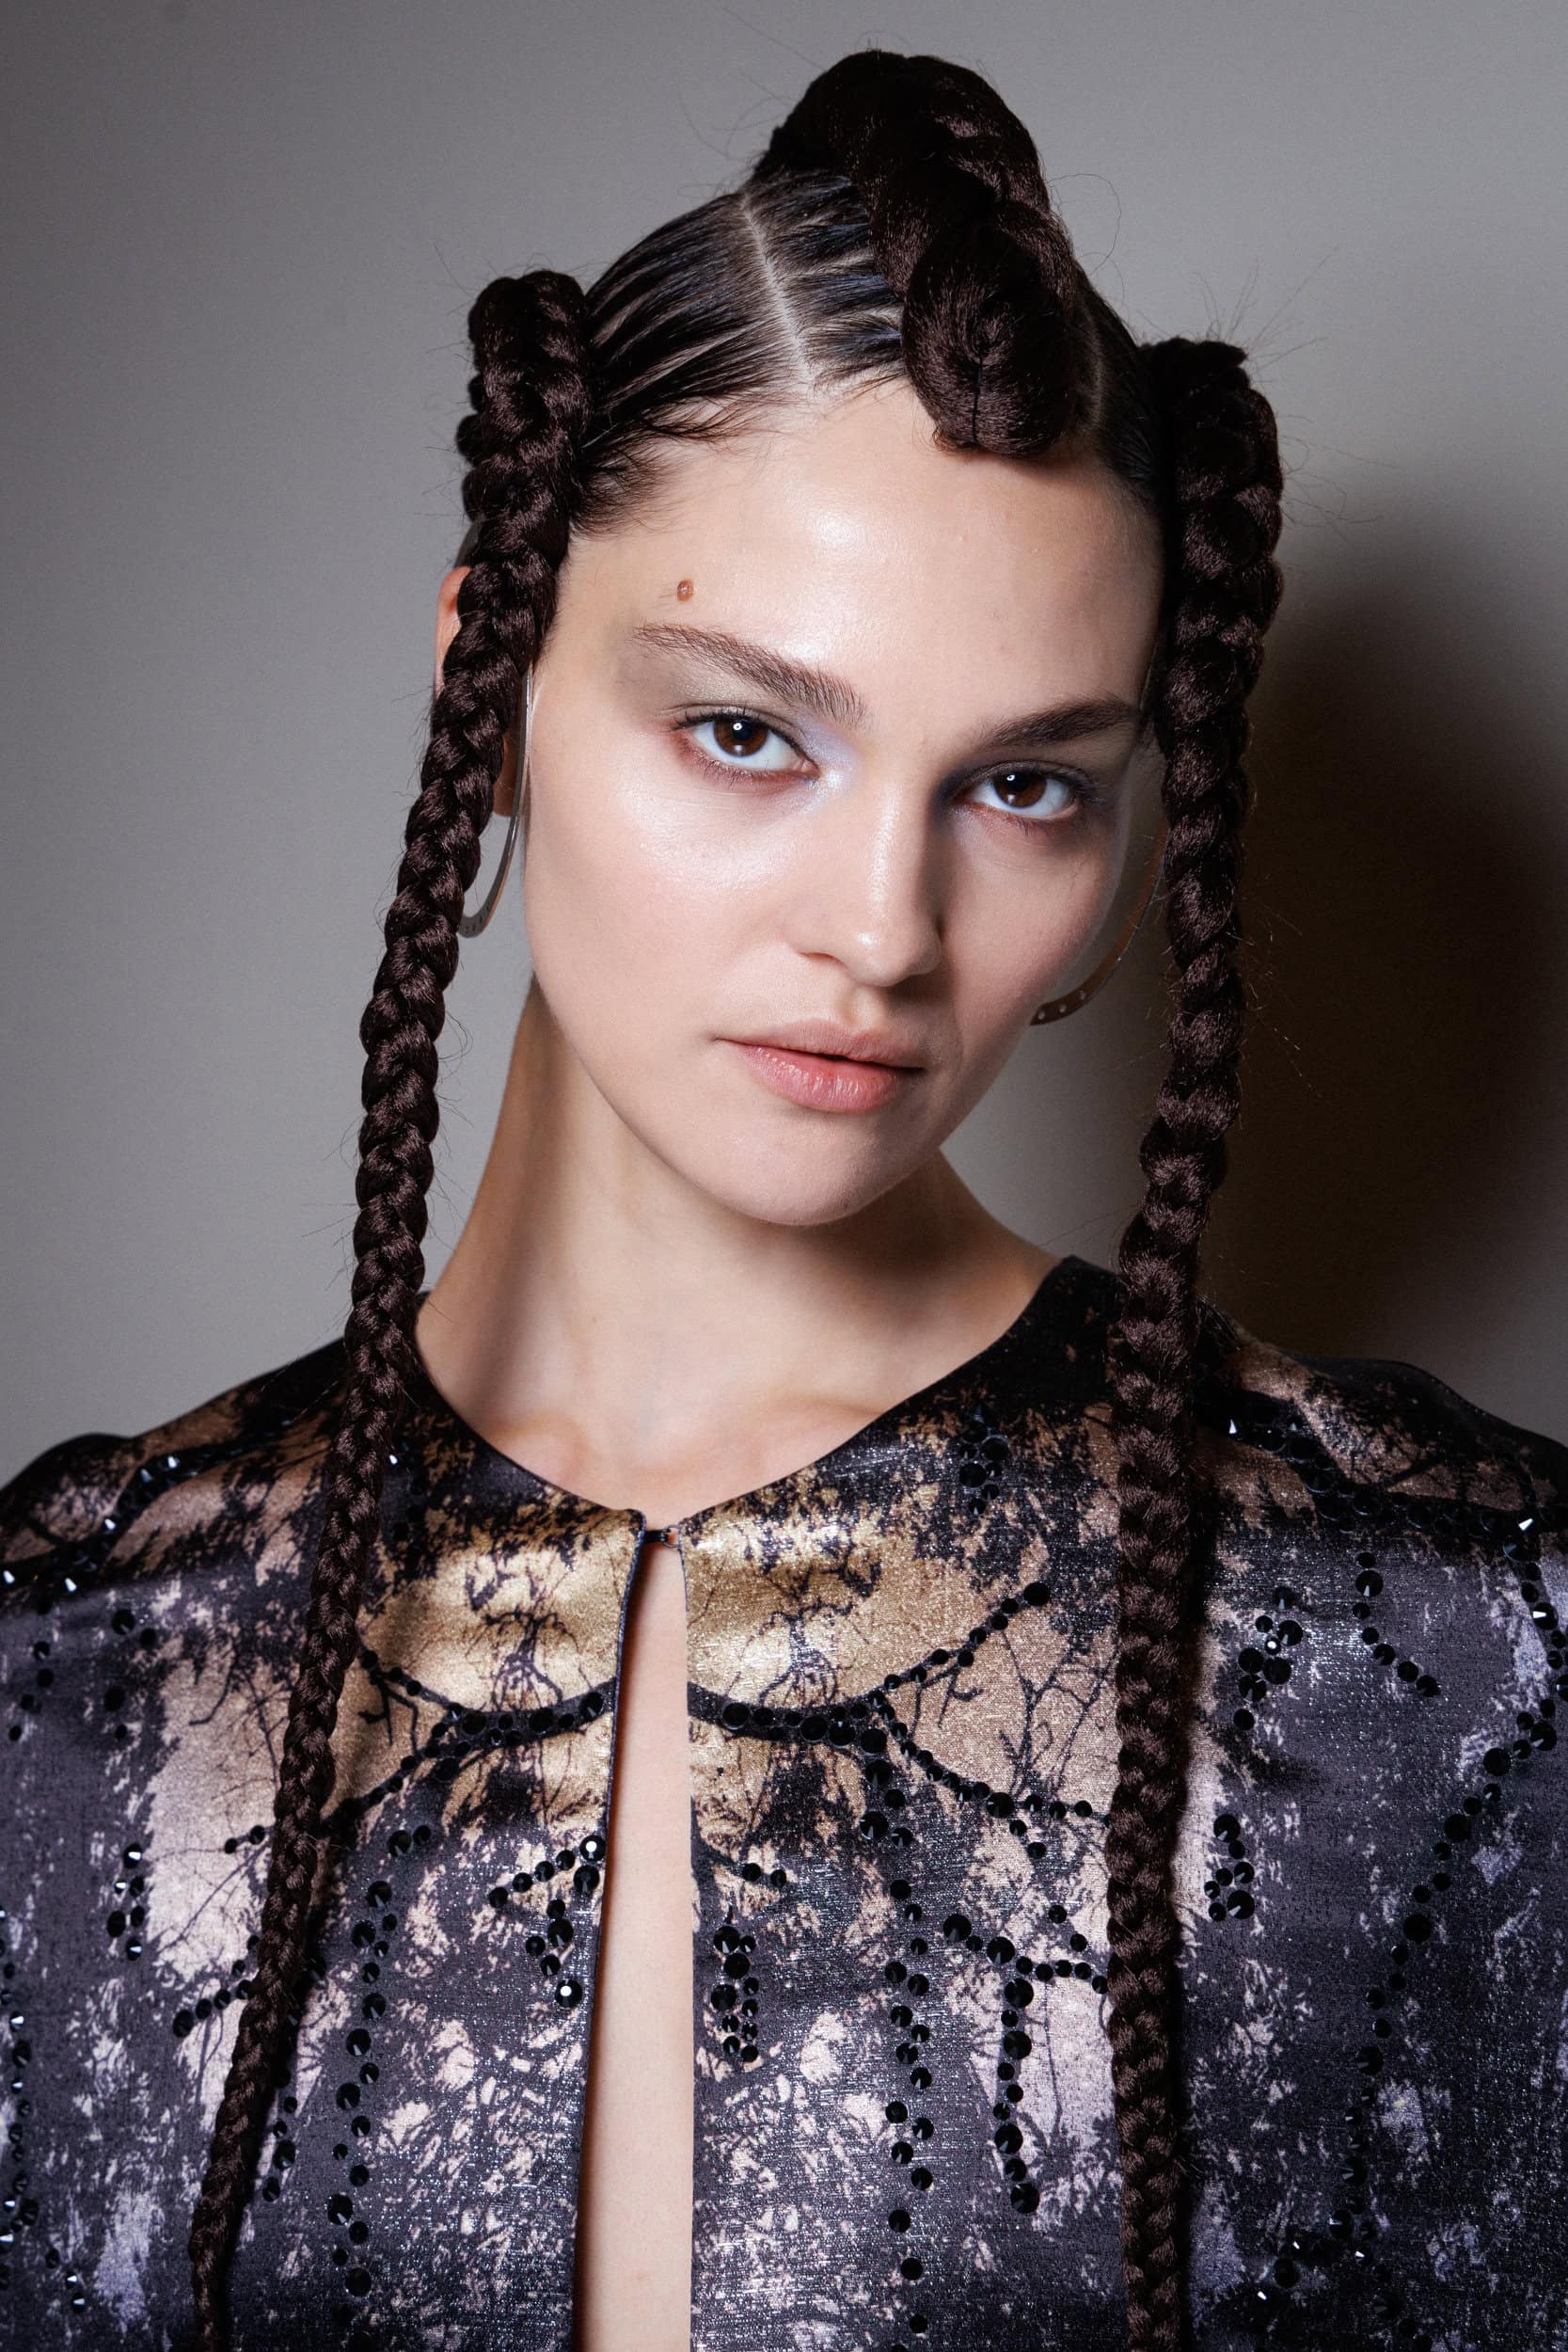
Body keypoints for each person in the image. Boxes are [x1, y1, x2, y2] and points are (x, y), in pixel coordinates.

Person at [1, 43, 1564, 2352]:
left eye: (1024, 785)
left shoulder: (1467, 1651)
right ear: (488, 685)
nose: (880, 928)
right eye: (749, 731)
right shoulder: (58, 1662)